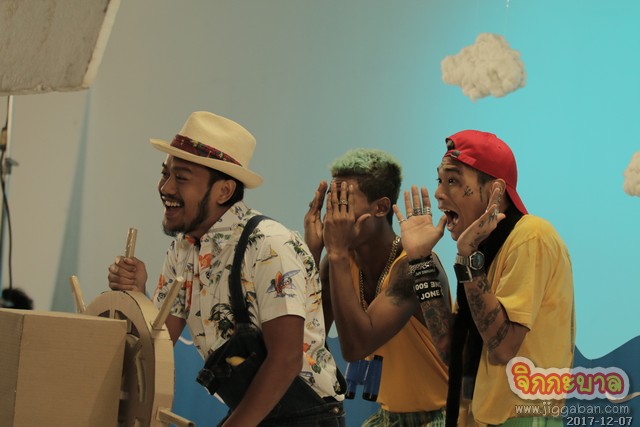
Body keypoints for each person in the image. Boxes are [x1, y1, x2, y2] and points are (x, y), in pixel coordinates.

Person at [107, 111, 345, 427]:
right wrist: (137, 294)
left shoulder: (270, 245)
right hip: (254, 412)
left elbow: (286, 360)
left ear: (224, 191)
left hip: (305, 418)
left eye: (181, 178)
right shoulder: (182, 250)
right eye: (165, 174)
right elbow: (160, 342)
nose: (166, 187)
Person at [393, 130, 575, 427]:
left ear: (495, 192)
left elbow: (503, 347)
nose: (438, 193)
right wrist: (421, 261)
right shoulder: (482, 252)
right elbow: (451, 351)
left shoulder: (532, 236)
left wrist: (467, 260)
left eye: (453, 181)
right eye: (439, 180)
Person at [304, 148, 449, 426]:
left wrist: (335, 253)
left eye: (344, 203)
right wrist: (312, 252)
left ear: (381, 208)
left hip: (440, 417)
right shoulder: (339, 262)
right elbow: (307, 339)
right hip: (387, 418)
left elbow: (356, 347)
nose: (334, 216)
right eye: (332, 203)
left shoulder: (413, 265)